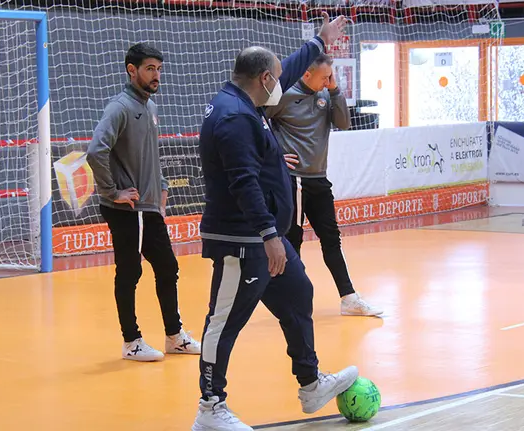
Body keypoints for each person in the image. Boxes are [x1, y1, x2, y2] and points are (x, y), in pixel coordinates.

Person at [192, 14, 359, 431]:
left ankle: (311, 384)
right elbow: (243, 182)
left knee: (299, 292)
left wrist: (319, 41)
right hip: (243, 239)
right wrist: (270, 235)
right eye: (277, 77)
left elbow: (285, 68)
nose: (283, 82)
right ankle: (210, 407)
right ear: (264, 79)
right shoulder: (235, 117)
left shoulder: (246, 101)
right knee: (223, 322)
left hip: (265, 238)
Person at [86, 42, 201, 362]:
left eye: (159, 69)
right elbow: (95, 151)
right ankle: (131, 341)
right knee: (130, 272)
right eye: (150, 69)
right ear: (131, 70)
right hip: (127, 209)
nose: (156, 75)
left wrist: (161, 188)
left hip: (148, 208)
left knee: (167, 267)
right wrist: (112, 192)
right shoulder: (120, 107)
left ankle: (174, 336)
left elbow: (150, 154)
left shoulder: (149, 107)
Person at [265, 54, 383, 317]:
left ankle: (349, 298)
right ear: (307, 74)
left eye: (331, 76)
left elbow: (343, 123)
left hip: (319, 178)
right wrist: (274, 155)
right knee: (293, 240)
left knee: (331, 238)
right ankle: (292, 298)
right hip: (294, 180)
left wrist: (335, 90)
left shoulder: (326, 95)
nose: (328, 81)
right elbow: (259, 124)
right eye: (324, 77)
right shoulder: (284, 96)